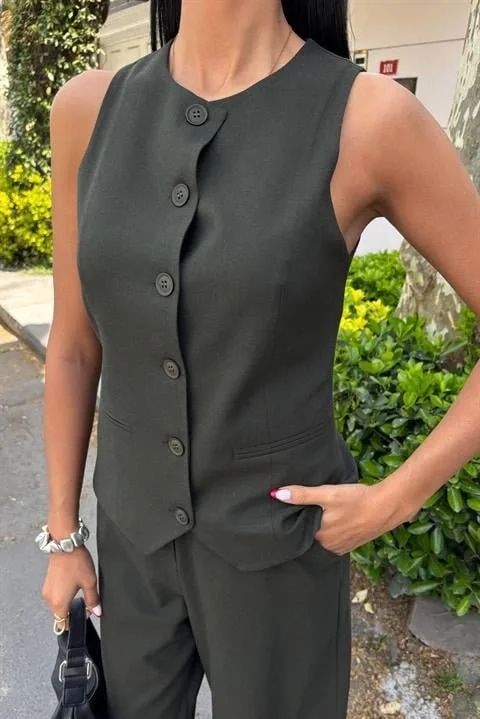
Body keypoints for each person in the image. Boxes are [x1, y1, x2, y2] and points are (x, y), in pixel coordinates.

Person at [38, 0, 480, 717]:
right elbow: (72, 343)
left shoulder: (366, 119)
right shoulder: (90, 110)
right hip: (130, 554)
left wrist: (396, 498)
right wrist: (63, 534)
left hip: (282, 560)